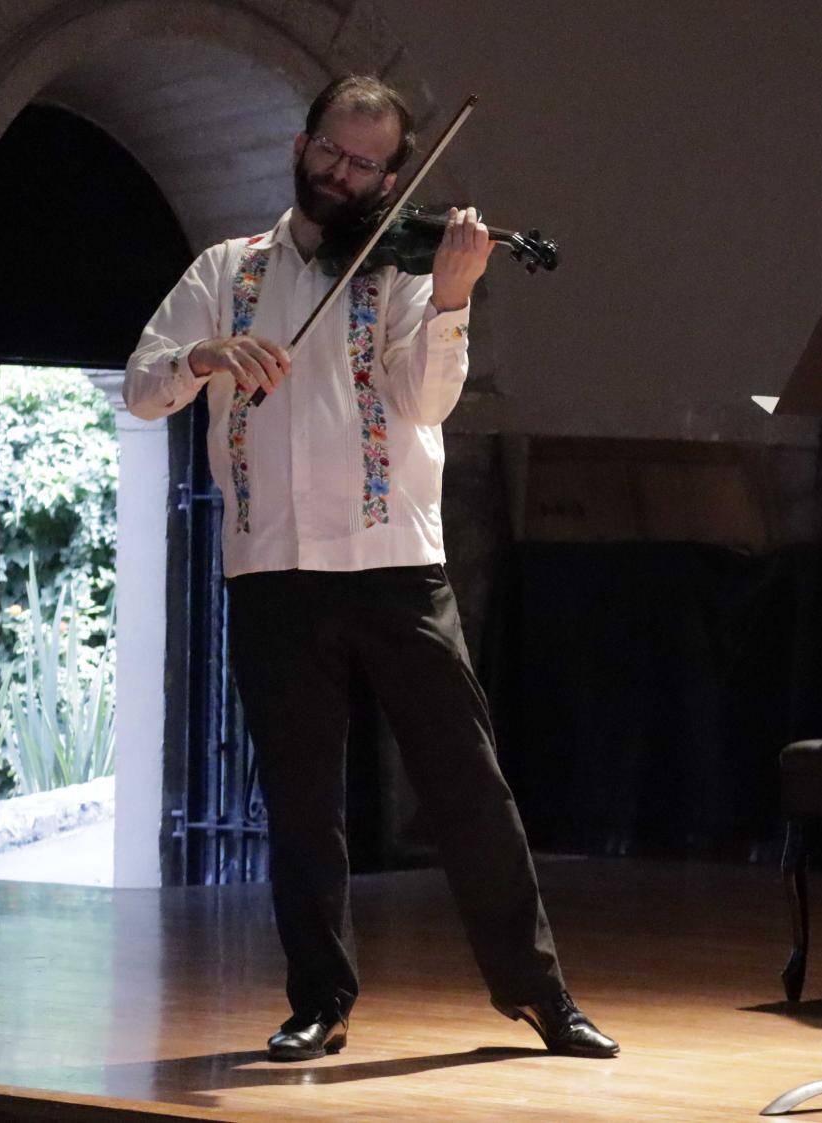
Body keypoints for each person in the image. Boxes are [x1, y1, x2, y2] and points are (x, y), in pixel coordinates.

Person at [124, 75, 616, 1062]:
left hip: (394, 561)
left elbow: (425, 403)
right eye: (327, 155)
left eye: (362, 166)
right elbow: (141, 389)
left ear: (394, 175)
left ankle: (537, 991)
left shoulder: (398, 273)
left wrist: (454, 298)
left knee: (466, 784)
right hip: (271, 567)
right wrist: (206, 357)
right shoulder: (229, 268)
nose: (339, 176)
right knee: (301, 799)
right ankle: (319, 999)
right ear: (302, 146)